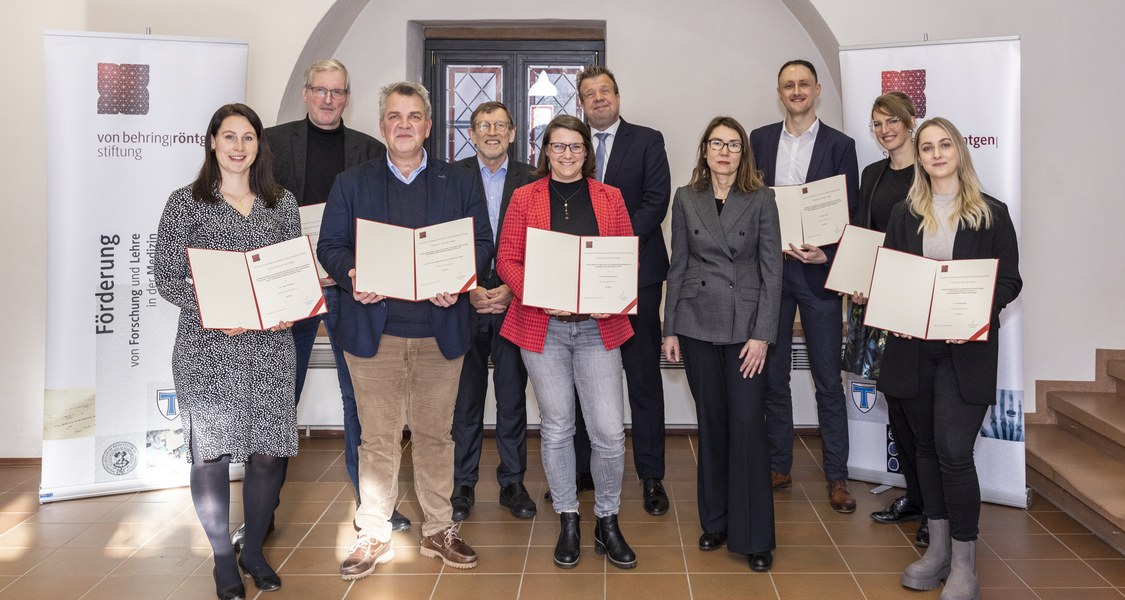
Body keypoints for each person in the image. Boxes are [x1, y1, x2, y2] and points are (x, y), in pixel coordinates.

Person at [228, 60, 410, 553]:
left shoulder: (370, 150)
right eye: (320, 91)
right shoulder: (273, 143)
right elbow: (256, 208)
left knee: (362, 399)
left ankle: (374, 504)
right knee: (278, 399)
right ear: (307, 94)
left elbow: (383, 221)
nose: (329, 99)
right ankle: (261, 515)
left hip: (351, 285)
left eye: (338, 92)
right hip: (291, 286)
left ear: (347, 97)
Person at [317, 81, 493, 579]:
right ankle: (373, 531)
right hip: (376, 331)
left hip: (441, 330)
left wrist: (458, 280)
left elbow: (481, 242)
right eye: (395, 116)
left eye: (414, 116)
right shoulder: (352, 182)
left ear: (428, 126)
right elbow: (330, 245)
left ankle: (440, 528)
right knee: (377, 438)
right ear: (382, 126)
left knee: (438, 434)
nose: (404, 125)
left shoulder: (458, 181)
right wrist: (353, 275)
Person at [155, 103, 298, 600]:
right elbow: (167, 278)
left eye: (249, 138)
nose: (239, 147)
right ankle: (222, 559)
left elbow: (290, 271)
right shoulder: (185, 203)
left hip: (269, 346)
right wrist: (220, 310)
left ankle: (253, 548)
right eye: (229, 136)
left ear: (260, 146)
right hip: (207, 346)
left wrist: (291, 305)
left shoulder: (281, 203)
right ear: (212, 141)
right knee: (211, 455)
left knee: (267, 455)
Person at [879, 117, 1021, 599]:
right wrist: (888, 305)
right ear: (917, 158)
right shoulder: (904, 212)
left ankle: (964, 564)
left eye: (944, 145)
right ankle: (936, 552)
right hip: (914, 350)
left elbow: (1009, 280)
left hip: (967, 352)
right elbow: (895, 276)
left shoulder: (992, 213)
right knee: (923, 450)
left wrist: (977, 309)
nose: (936, 154)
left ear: (959, 151)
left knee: (954, 453)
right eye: (927, 148)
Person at [497, 115, 637, 570]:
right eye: (559, 147)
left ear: (586, 151)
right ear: (546, 151)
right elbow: (508, 259)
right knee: (557, 428)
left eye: (576, 147)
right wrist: (540, 295)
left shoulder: (609, 197)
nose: (568, 155)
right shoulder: (524, 197)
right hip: (543, 328)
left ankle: (607, 519)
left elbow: (621, 258)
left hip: (599, 327)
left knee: (610, 433)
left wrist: (609, 299)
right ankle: (569, 519)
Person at [662, 116, 782, 572]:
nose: (725, 152)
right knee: (711, 424)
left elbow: (773, 271)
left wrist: (763, 335)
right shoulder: (686, 197)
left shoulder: (761, 199)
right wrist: (669, 328)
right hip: (695, 324)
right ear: (705, 150)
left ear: (743, 153)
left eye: (733, 144)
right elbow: (678, 266)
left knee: (748, 425)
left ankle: (755, 538)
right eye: (717, 143)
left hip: (745, 328)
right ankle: (715, 522)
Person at [749, 59, 860, 513]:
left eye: (802, 84)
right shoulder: (759, 140)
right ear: (780, 92)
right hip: (771, 272)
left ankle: (837, 477)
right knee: (772, 378)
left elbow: (849, 212)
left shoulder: (840, 145)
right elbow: (749, 203)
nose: (795, 91)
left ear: (816, 90)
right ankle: (779, 465)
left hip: (817, 272)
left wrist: (828, 256)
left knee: (827, 381)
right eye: (787, 85)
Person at [570, 65, 672, 515]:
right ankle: (583, 471)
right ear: (581, 102)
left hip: (637, 275)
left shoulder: (648, 140)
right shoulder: (568, 144)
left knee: (643, 378)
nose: (598, 99)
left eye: (605, 91)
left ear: (617, 95)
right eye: (589, 93)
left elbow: (656, 201)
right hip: (579, 281)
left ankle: (651, 476)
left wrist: (613, 245)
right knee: (581, 376)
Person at [846, 92, 928, 547]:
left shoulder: (928, 171)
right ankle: (914, 496)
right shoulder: (872, 174)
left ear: (910, 122)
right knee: (895, 403)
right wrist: (857, 279)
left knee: (919, 408)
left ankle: (932, 505)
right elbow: (863, 234)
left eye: (892, 120)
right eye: (877, 123)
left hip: (918, 306)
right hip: (877, 306)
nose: (884, 129)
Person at [450, 101, 538, 521]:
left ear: (513, 133)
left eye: (500, 125)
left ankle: (513, 482)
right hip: (464, 303)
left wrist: (510, 288)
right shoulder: (450, 176)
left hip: (512, 300)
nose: (492, 132)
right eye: (484, 125)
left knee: (511, 397)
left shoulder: (532, 179)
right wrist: (468, 287)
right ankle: (463, 484)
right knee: (464, 401)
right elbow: (444, 239)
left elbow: (541, 242)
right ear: (472, 132)